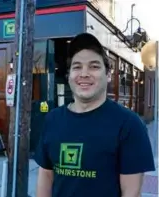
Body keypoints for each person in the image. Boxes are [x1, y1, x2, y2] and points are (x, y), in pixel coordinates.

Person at [34, 33, 155, 197]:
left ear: (108, 75)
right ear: (69, 76)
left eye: (94, 66)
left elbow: (131, 192)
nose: (84, 73)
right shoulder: (52, 120)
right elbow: (46, 177)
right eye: (77, 67)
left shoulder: (129, 125)